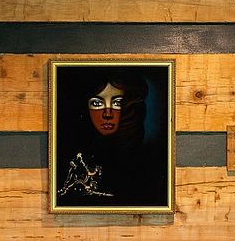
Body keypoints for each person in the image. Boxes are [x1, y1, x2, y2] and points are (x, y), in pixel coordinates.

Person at [54, 69, 168, 207]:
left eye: (117, 103)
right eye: (97, 103)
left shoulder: (149, 162)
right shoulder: (66, 155)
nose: (107, 114)